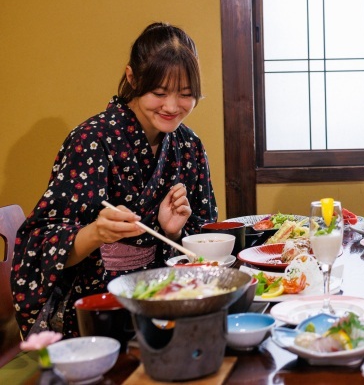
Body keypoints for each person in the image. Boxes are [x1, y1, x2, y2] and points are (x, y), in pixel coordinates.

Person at [13, 22, 217, 338]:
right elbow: (38, 243)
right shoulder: (91, 140)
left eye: (186, 95)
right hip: (99, 305)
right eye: (159, 93)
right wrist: (96, 233)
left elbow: (203, 244)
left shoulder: (188, 145)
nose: (172, 107)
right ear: (132, 78)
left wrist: (173, 232)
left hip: (168, 297)